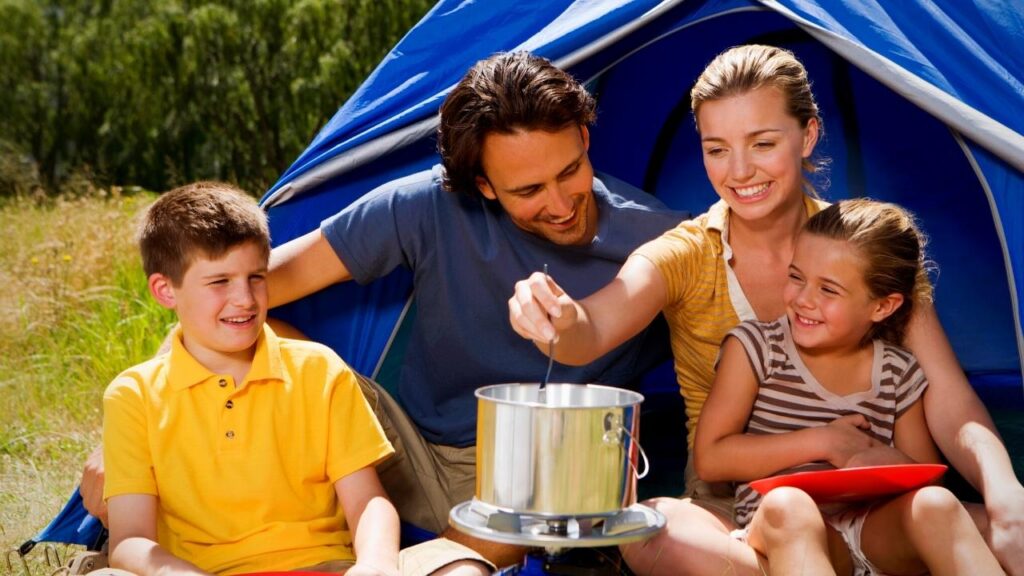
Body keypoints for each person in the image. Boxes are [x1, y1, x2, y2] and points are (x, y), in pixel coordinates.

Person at [83, 51, 686, 566]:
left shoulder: (661, 241)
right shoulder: (426, 205)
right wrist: (123, 436)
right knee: (262, 329)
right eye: (527, 191)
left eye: (570, 171)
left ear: (585, 138)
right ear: (481, 184)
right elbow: (241, 297)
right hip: (396, 444)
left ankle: (409, 567)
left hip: (532, 475)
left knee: (557, 489)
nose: (559, 203)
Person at [508, 44, 1024, 575]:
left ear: (808, 135)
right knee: (652, 529)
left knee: (1000, 531)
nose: (739, 171)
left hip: (872, 502)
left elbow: (947, 395)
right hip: (732, 512)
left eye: (763, 143)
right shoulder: (686, 252)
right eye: (716, 149)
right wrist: (559, 320)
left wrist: (1005, 492)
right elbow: (591, 328)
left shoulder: (865, 245)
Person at [100, 182, 488, 576]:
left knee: (461, 566)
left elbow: (368, 501)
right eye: (220, 282)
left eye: (256, 277)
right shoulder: (132, 395)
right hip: (200, 571)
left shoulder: (320, 370)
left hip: (327, 566)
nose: (245, 299)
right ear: (165, 291)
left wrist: (375, 564)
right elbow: (130, 540)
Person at [695, 199, 1004, 576]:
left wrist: (881, 459)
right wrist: (824, 442)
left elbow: (928, 476)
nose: (803, 299)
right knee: (788, 504)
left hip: (873, 529)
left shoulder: (897, 371)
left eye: (828, 290)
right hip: (787, 529)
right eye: (796, 276)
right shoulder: (755, 348)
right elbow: (710, 459)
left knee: (936, 504)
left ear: (883, 307)